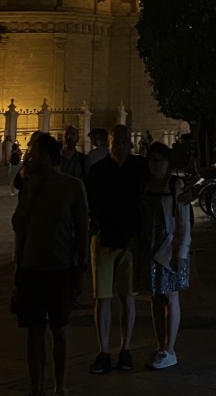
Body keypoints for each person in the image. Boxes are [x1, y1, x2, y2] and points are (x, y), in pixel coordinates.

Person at [12, 132, 90, 396]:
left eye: (32, 153)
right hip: (31, 268)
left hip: (60, 268)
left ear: (45, 157)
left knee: (60, 330)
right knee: (34, 331)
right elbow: (18, 224)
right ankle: (36, 387)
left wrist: (80, 269)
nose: (28, 158)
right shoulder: (30, 186)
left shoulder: (72, 187)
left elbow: (82, 230)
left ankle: (59, 386)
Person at [85, 124, 147, 374]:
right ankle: (103, 350)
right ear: (108, 143)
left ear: (129, 143)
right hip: (104, 241)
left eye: (123, 141)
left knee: (128, 297)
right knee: (102, 298)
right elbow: (89, 203)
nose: (119, 146)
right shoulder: (98, 170)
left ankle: (125, 349)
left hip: (130, 242)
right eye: (115, 141)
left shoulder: (140, 167)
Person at [138, 141, 190, 370]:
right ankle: (161, 346)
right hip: (150, 247)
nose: (156, 165)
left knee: (171, 296)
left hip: (169, 248)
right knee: (156, 297)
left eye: (160, 161)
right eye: (152, 161)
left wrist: (182, 252)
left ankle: (170, 348)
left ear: (168, 163)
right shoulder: (146, 184)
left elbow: (183, 221)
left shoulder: (175, 185)